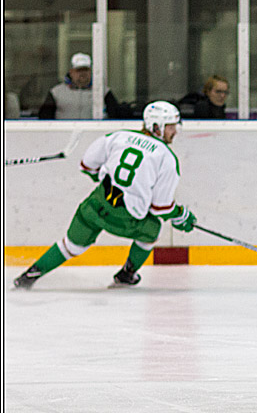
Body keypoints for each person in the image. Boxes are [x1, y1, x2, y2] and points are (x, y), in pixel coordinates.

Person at [13, 101, 197, 291]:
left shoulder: (117, 137)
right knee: (152, 230)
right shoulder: (167, 158)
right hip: (126, 219)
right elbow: (161, 207)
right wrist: (181, 215)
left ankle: (28, 276)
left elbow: (87, 165)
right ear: (156, 126)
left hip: (94, 206)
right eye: (171, 127)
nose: (175, 132)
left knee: (71, 247)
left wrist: (104, 179)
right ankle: (126, 274)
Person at [37, 53, 121, 120]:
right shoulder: (56, 92)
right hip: (63, 137)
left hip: (94, 137)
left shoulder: (103, 91)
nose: (82, 73)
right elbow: (45, 118)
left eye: (85, 70)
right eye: (79, 70)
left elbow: (115, 116)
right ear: (71, 72)